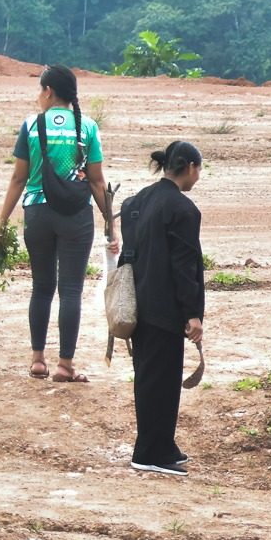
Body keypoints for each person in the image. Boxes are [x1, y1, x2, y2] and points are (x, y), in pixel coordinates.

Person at [0, 65, 116, 383]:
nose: (39, 96)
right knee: (71, 290)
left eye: (40, 90)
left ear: (49, 90)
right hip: (76, 215)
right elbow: (96, 180)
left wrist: (1, 222)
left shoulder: (32, 126)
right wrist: (110, 223)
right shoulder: (87, 127)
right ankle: (65, 365)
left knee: (42, 287)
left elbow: (18, 177)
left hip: (37, 213)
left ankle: (37, 360)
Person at [119, 141, 204, 476]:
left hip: (138, 303)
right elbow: (184, 267)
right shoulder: (183, 210)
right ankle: (148, 452)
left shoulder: (134, 202)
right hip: (166, 308)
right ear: (191, 167)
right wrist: (192, 313)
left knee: (151, 377)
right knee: (161, 382)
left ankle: (163, 444)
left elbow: (129, 255)